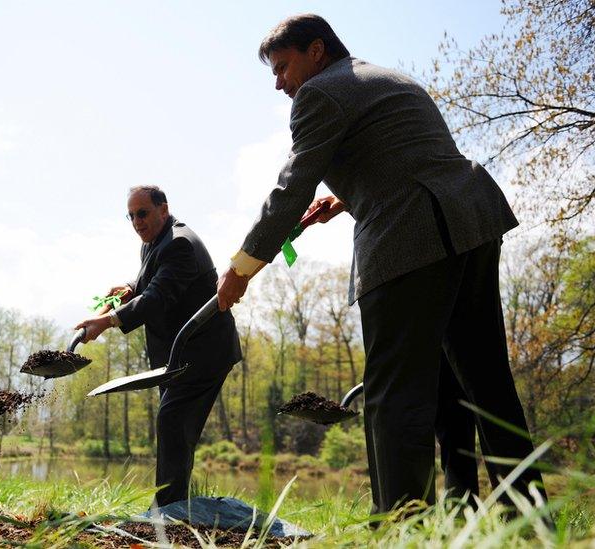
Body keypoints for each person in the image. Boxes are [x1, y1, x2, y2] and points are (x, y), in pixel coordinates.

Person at [215, 14, 545, 514]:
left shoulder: (320, 94)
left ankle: (401, 526)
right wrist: (346, 201)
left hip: (409, 238)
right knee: (484, 383)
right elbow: (409, 155)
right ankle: (524, 516)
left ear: (317, 51)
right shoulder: (388, 77)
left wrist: (241, 268)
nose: (280, 83)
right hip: (471, 222)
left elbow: (291, 190)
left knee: (395, 394)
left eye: (283, 67)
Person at [76, 185, 242, 507]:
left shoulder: (179, 244)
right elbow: (151, 282)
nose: (137, 222)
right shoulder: (155, 241)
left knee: (172, 422)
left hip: (203, 353)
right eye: (132, 216)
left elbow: (157, 299)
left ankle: (168, 511)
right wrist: (129, 287)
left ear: (163, 210)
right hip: (180, 358)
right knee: (174, 426)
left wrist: (108, 321)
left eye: (143, 213)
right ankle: (172, 507)